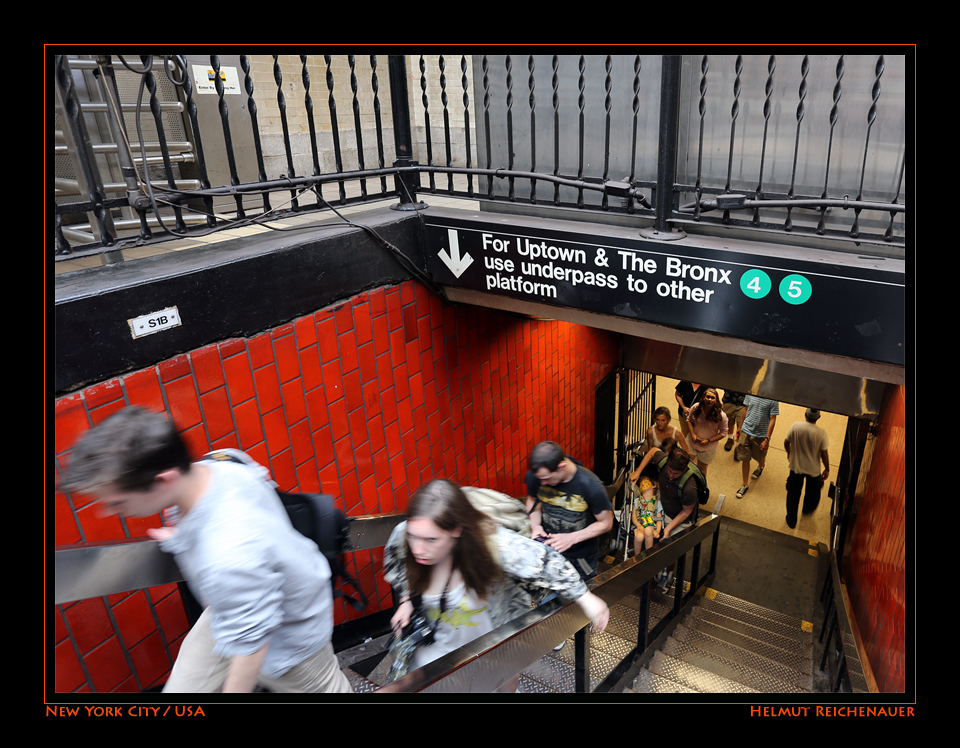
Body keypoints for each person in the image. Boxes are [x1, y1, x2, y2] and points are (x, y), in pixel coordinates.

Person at [59, 407, 352, 694]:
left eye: (117, 502)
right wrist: (186, 536)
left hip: (289, 642)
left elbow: (253, 644)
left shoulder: (227, 554)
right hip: (232, 609)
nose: (107, 512)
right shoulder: (223, 463)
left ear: (163, 480)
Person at [383, 479, 610, 689]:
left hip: (489, 651)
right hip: (435, 661)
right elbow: (400, 561)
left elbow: (547, 562)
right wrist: (405, 601)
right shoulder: (405, 534)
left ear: (456, 530)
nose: (418, 549)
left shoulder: (494, 544)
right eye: (414, 537)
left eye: (431, 540)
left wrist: (587, 598)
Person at [524, 441, 614, 582]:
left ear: (562, 467)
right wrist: (536, 526)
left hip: (581, 558)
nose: (542, 484)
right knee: (552, 600)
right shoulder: (538, 476)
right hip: (550, 554)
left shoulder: (590, 485)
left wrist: (571, 538)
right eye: (540, 479)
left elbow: (606, 523)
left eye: (547, 478)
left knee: (580, 601)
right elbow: (532, 501)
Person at [628, 436, 680, 555]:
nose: (643, 485)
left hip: (651, 525)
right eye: (641, 484)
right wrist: (637, 525)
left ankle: (648, 556)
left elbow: (659, 517)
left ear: (654, 486)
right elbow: (634, 516)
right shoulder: (637, 501)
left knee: (647, 531)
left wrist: (657, 529)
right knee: (640, 536)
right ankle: (636, 560)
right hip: (640, 525)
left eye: (646, 483)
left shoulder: (657, 502)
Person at [783, 408, 830, 529]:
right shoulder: (821, 433)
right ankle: (807, 510)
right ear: (818, 418)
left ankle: (791, 520)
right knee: (813, 493)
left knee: (793, 494)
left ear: (805, 415)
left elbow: (786, 442)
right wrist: (827, 469)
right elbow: (824, 454)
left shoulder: (796, 426)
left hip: (796, 467)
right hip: (813, 470)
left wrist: (789, 453)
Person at [735, 395, 780, 499]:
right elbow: (745, 409)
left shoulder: (773, 400)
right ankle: (745, 484)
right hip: (746, 431)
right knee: (745, 458)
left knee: (760, 457)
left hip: (760, 435)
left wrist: (767, 439)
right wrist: (740, 426)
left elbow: (773, 419)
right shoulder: (751, 394)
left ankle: (761, 466)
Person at [684, 387, 728, 478]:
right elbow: (689, 420)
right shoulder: (696, 407)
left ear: (716, 400)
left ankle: (700, 485)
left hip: (708, 447)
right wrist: (692, 434)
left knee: (702, 468)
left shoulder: (721, 415)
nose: (709, 400)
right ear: (704, 397)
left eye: (712, 398)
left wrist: (708, 441)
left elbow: (723, 433)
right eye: (708, 397)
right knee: (685, 464)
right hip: (692, 442)